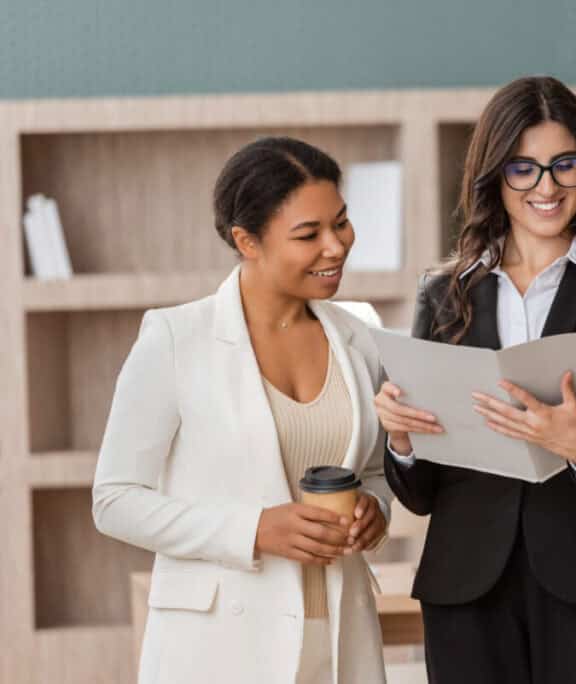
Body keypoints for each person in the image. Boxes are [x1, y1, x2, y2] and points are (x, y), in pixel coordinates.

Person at [373, 75, 576, 684]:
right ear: (495, 177)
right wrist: (401, 440)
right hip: (465, 587)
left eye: (565, 165)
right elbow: (422, 494)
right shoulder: (445, 291)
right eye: (523, 169)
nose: (547, 187)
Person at [92, 137, 392, 684]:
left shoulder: (362, 335)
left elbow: (372, 469)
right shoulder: (176, 338)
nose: (337, 246)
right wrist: (252, 530)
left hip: (339, 634)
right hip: (219, 644)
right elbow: (114, 501)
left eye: (341, 223)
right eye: (308, 234)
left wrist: (376, 508)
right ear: (246, 240)